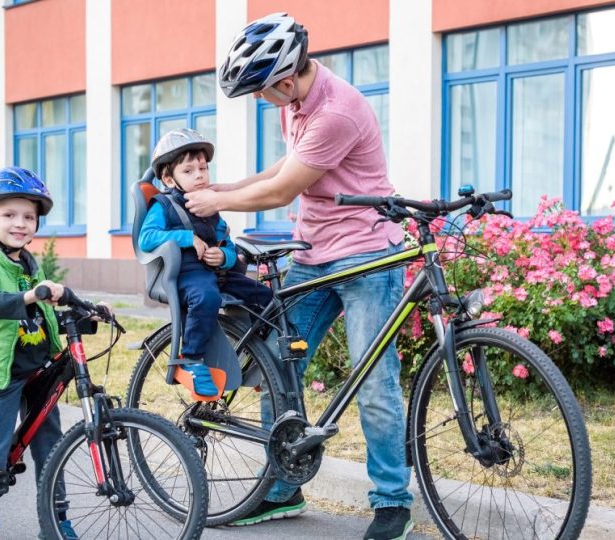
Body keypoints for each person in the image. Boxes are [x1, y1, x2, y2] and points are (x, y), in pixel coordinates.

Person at [186, 12, 414, 540]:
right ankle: (282, 485)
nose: (260, 101)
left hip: (363, 257)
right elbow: (284, 169)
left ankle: (391, 502)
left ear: (286, 81)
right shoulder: (298, 101)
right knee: (275, 363)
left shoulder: (337, 111)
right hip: (313, 253)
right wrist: (226, 185)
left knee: (375, 384)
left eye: (261, 91)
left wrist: (216, 199)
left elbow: (280, 193)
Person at [0, 167, 78, 540]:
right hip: (0, 373)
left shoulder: (28, 262)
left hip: (37, 369)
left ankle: (56, 524)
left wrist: (86, 305)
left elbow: (41, 309)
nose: (21, 223)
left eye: (29, 216)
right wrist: (31, 295)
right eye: (9, 215)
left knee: (51, 449)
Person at [139, 128, 273, 396]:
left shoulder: (211, 205)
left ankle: (255, 357)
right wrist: (187, 238)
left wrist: (225, 257)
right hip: (188, 275)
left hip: (219, 273)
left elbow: (229, 245)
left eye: (203, 168)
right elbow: (146, 238)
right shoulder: (163, 206)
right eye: (189, 171)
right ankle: (191, 358)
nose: (199, 175)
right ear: (168, 177)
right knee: (206, 297)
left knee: (267, 298)